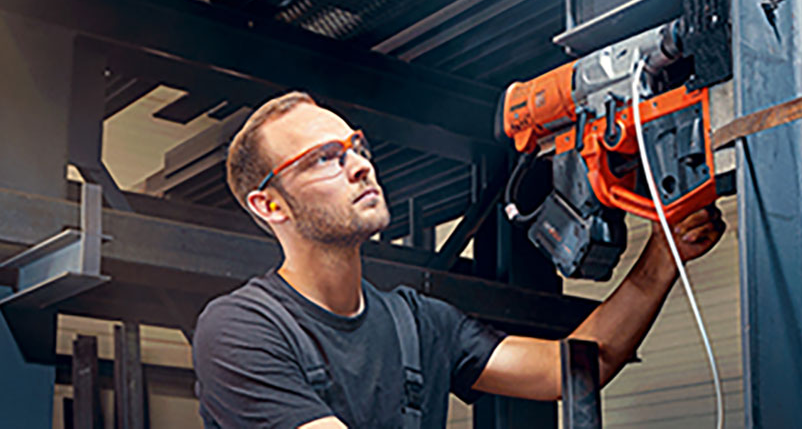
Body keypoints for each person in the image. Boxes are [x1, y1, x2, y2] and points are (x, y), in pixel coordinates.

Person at [192, 91, 726, 428]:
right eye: (323, 159)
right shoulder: (241, 328)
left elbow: (567, 370)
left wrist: (662, 257)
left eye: (355, 147)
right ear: (270, 204)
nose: (357, 166)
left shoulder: (417, 322)